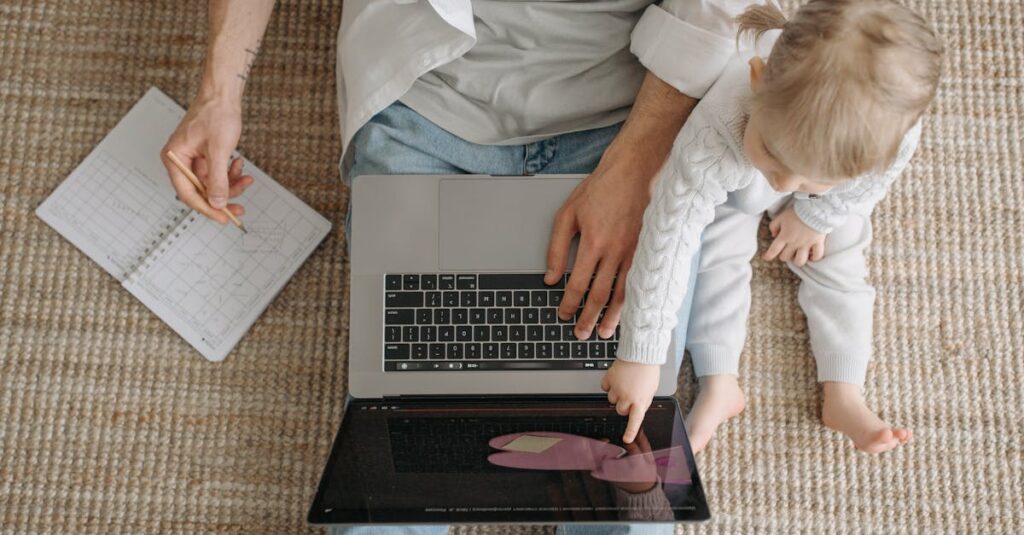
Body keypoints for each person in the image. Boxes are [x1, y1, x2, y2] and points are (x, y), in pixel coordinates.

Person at [161, 0, 758, 532]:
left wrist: (639, 162)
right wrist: (219, 94)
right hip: (424, 100)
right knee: (402, 439)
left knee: (625, 469)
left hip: (629, 111)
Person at [601, 0, 943, 454]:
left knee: (842, 257)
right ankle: (720, 381)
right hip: (732, 187)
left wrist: (816, 214)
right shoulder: (719, 125)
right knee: (713, 254)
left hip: (824, 206)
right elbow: (670, 231)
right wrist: (641, 355)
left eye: (807, 176)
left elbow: (869, 186)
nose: (782, 182)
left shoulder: (891, 135)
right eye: (773, 154)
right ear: (757, 80)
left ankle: (844, 392)